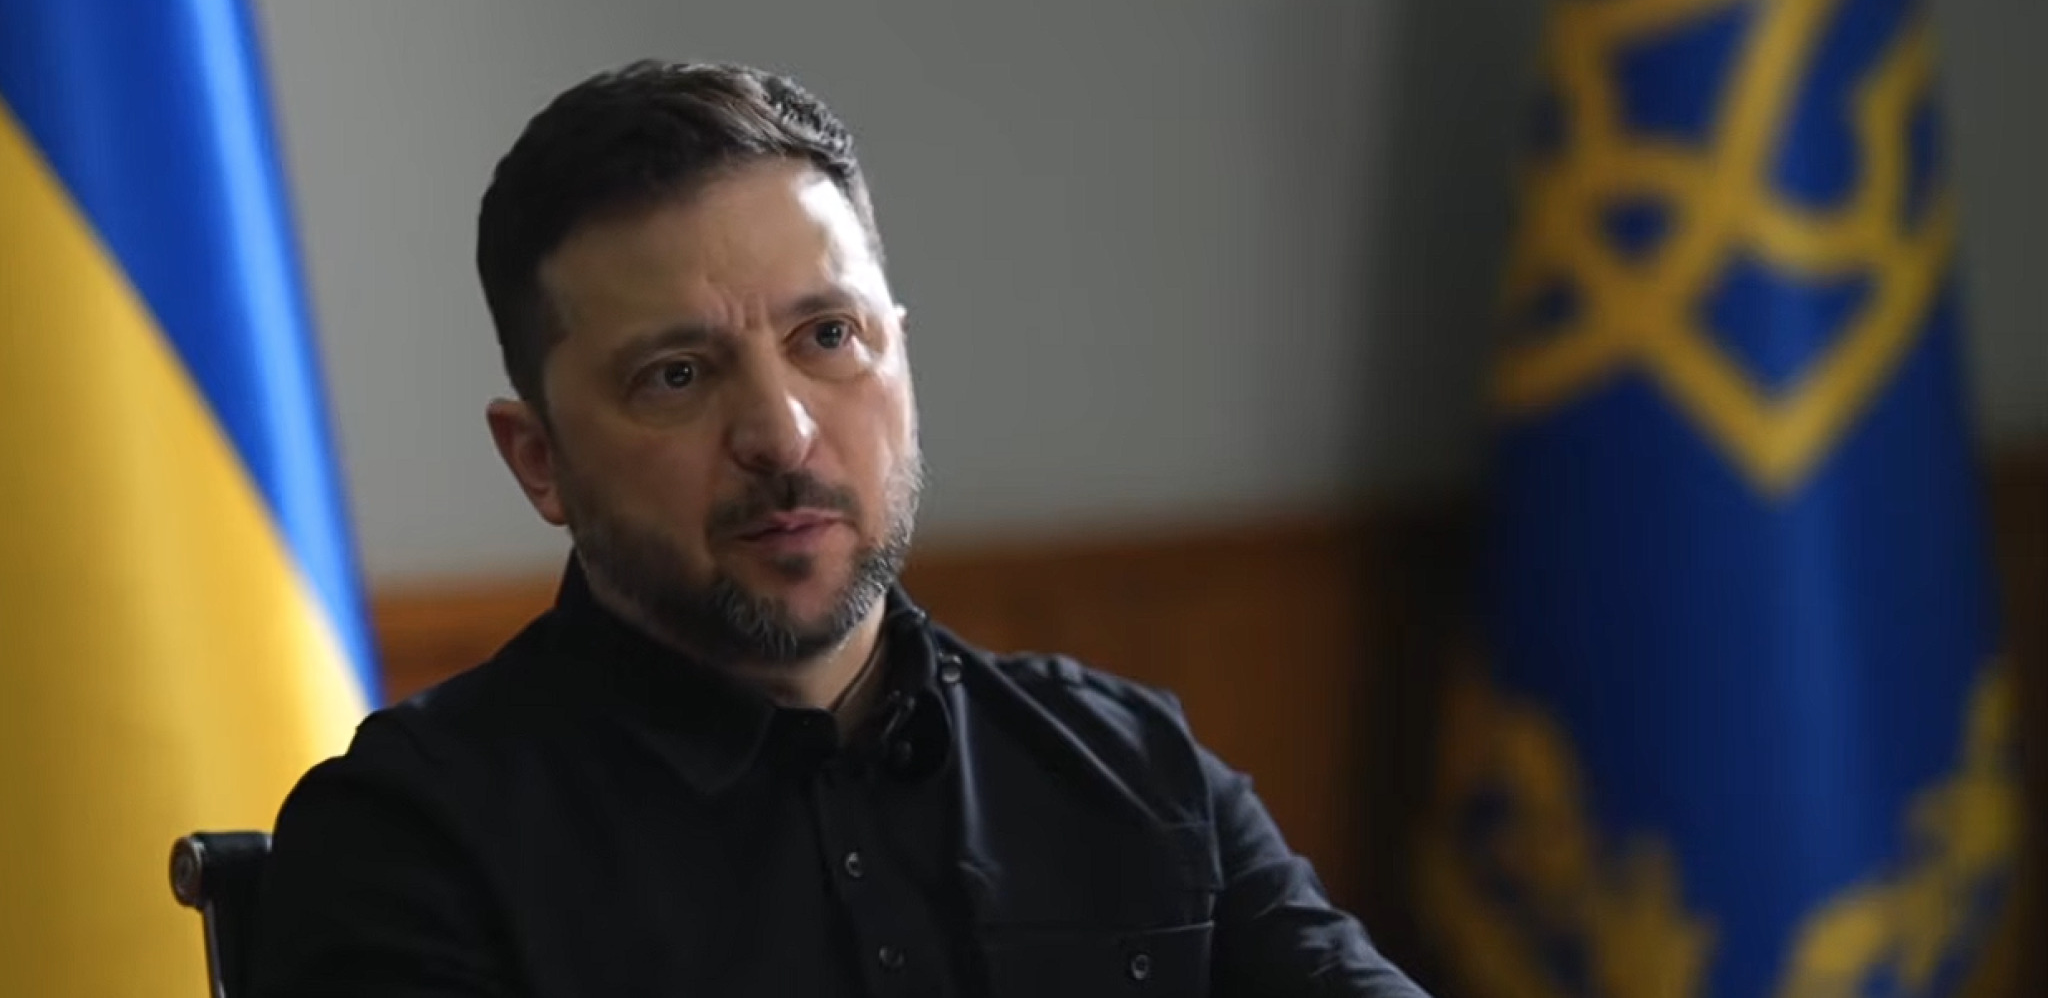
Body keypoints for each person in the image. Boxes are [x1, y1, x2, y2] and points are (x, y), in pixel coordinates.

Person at [252, 60, 1431, 998]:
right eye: (676, 375)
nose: (781, 433)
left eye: (827, 338)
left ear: (899, 355)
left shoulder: (1124, 763)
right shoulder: (412, 841)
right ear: (539, 460)